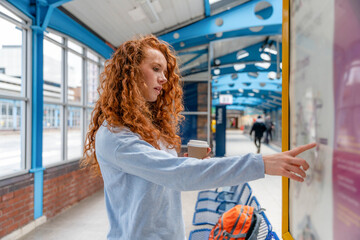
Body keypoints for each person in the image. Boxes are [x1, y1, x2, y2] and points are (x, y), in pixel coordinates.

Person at [82, 35, 316, 240]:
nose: (163, 78)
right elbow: (178, 174)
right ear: (130, 72)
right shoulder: (116, 136)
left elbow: (165, 172)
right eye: (155, 69)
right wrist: (261, 163)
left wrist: (188, 162)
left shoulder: (146, 128)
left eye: (164, 71)